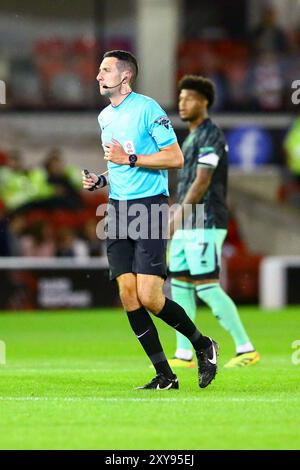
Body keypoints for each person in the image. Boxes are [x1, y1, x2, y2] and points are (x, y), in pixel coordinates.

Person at [82, 50, 219, 390]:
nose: (99, 76)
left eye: (106, 70)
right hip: (117, 209)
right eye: (99, 70)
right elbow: (120, 167)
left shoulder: (148, 109)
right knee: (128, 295)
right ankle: (165, 376)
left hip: (149, 207)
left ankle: (203, 344)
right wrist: (102, 179)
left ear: (125, 77)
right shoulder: (104, 118)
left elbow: (175, 157)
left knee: (151, 296)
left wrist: (129, 157)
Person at [168, 75, 260, 369]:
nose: (183, 104)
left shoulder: (211, 135)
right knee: (180, 285)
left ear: (204, 101)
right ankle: (184, 354)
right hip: (188, 220)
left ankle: (246, 348)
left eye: (190, 98)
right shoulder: (192, 137)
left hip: (205, 219)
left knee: (206, 286)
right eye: (181, 99)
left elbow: (203, 180)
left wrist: (179, 213)